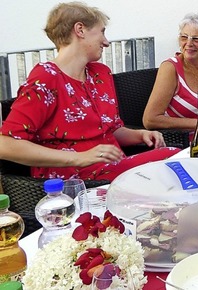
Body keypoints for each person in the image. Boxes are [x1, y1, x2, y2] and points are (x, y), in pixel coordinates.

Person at [0, 2, 178, 182]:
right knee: (173, 159)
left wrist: (140, 135)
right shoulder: (46, 79)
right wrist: (81, 157)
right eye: (102, 32)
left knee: (179, 160)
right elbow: (5, 145)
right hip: (73, 181)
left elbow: (108, 131)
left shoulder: (100, 74)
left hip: (112, 171)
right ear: (80, 30)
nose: (106, 42)